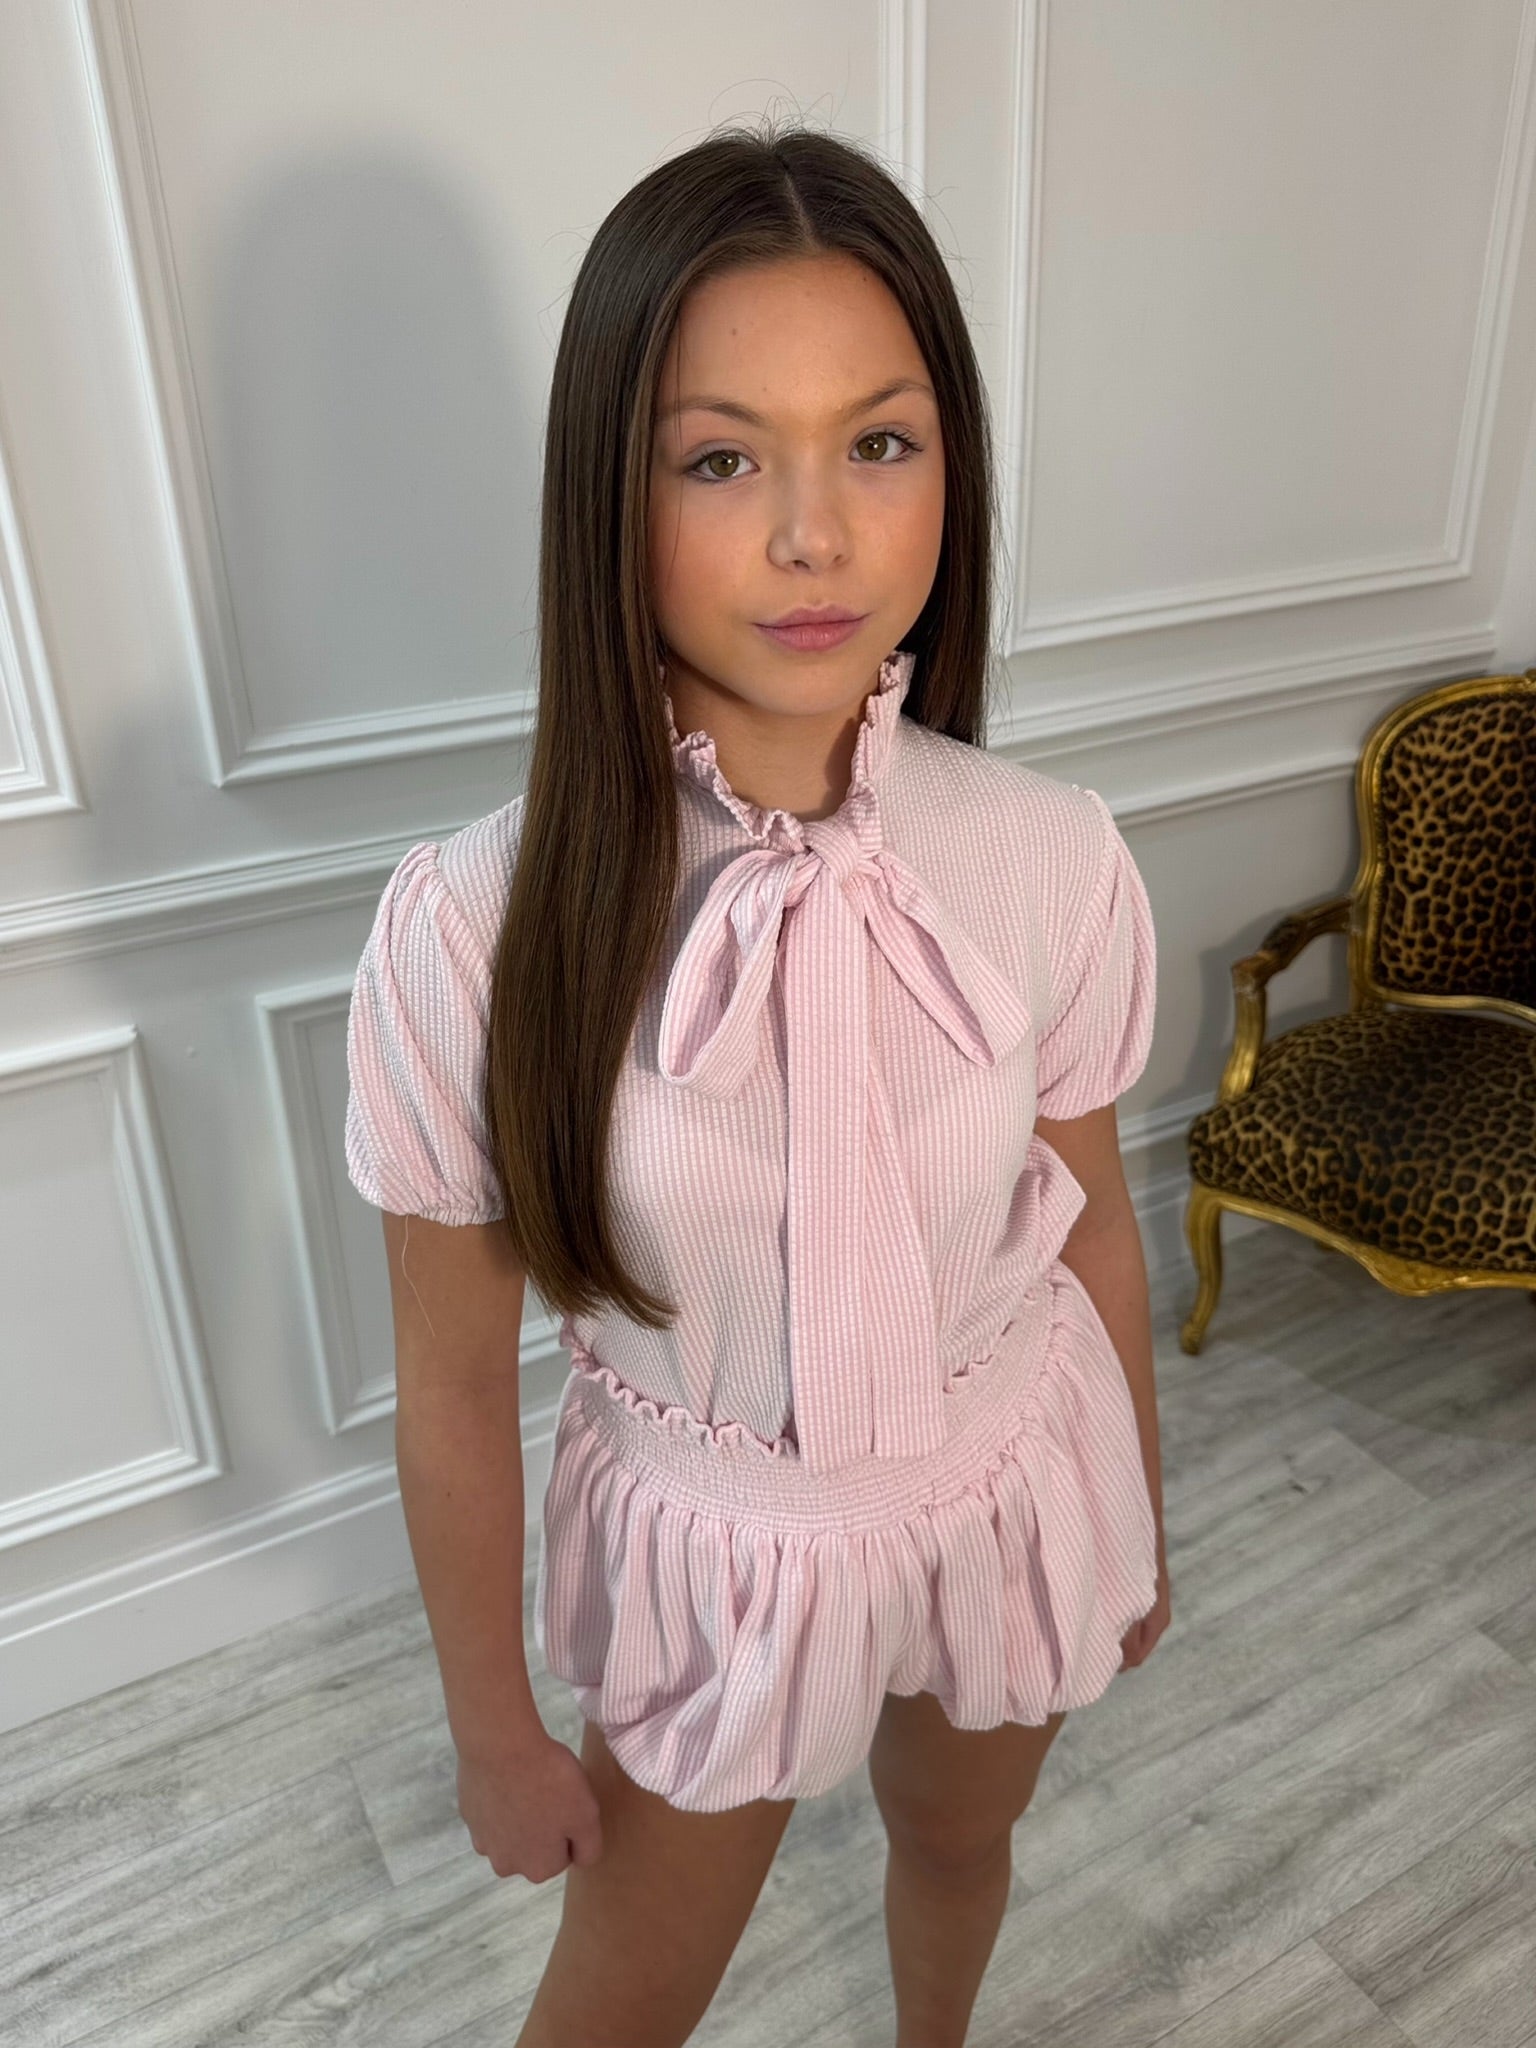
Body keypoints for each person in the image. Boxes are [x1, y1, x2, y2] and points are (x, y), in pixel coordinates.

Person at [344, 117, 1171, 2048]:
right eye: (722, 459)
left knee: (960, 1844)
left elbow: (1094, 1229)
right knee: (619, 2007)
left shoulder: (1046, 852)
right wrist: (493, 1728)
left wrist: (1131, 1508)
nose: (818, 537)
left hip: (1006, 1477)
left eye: (879, 443)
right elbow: (451, 1386)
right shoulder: (476, 929)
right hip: (715, 1561)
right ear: (609, 496)